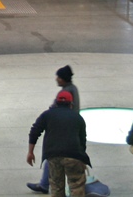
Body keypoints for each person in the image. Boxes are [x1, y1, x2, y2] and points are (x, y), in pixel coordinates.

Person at [28, 65, 81, 194]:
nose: (56, 79)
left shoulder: (66, 92)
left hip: (62, 135)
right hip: (71, 138)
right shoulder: (72, 89)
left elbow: (35, 130)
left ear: (63, 79)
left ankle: (45, 185)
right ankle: (45, 184)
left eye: (58, 77)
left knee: (54, 161)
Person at [26, 90, 90, 197]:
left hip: (54, 155)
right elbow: (82, 140)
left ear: (56, 103)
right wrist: (82, 157)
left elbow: (34, 131)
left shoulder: (47, 115)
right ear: (71, 104)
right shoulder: (78, 118)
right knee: (76, 186)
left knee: (56, 187)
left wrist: (30, 152)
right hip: (74, 156)